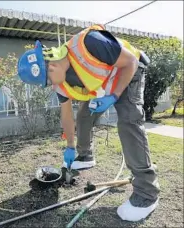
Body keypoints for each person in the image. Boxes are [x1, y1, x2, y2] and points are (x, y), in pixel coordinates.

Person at [17, 24, 160, 222]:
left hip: (130, 71)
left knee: (128, 122)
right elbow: (66, 116)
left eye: (47, 82)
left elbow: (131, 62)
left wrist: (114, 95)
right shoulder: (61, 82)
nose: (51, 86)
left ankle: (147, 193)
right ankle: (85, 156)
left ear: (51, 66)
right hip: (105, 83)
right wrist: (69, 147)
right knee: (84, 115)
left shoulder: (90, 43)